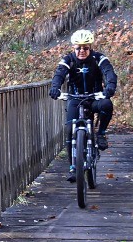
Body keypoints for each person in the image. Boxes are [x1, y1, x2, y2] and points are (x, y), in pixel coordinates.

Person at [48, 29, 118, 168]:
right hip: (74, 98)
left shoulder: (98, 58)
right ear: (73, 47)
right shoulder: (69, 60)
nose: (81, 51)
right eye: (78, 48)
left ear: (90, 47)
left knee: (106, 105)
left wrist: (110, 87)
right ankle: (73, 167)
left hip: (94, 98)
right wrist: (55, 87)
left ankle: (101, 134)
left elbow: (109, 72)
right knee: (69, 130)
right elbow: (59, 74)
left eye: (85, 48)